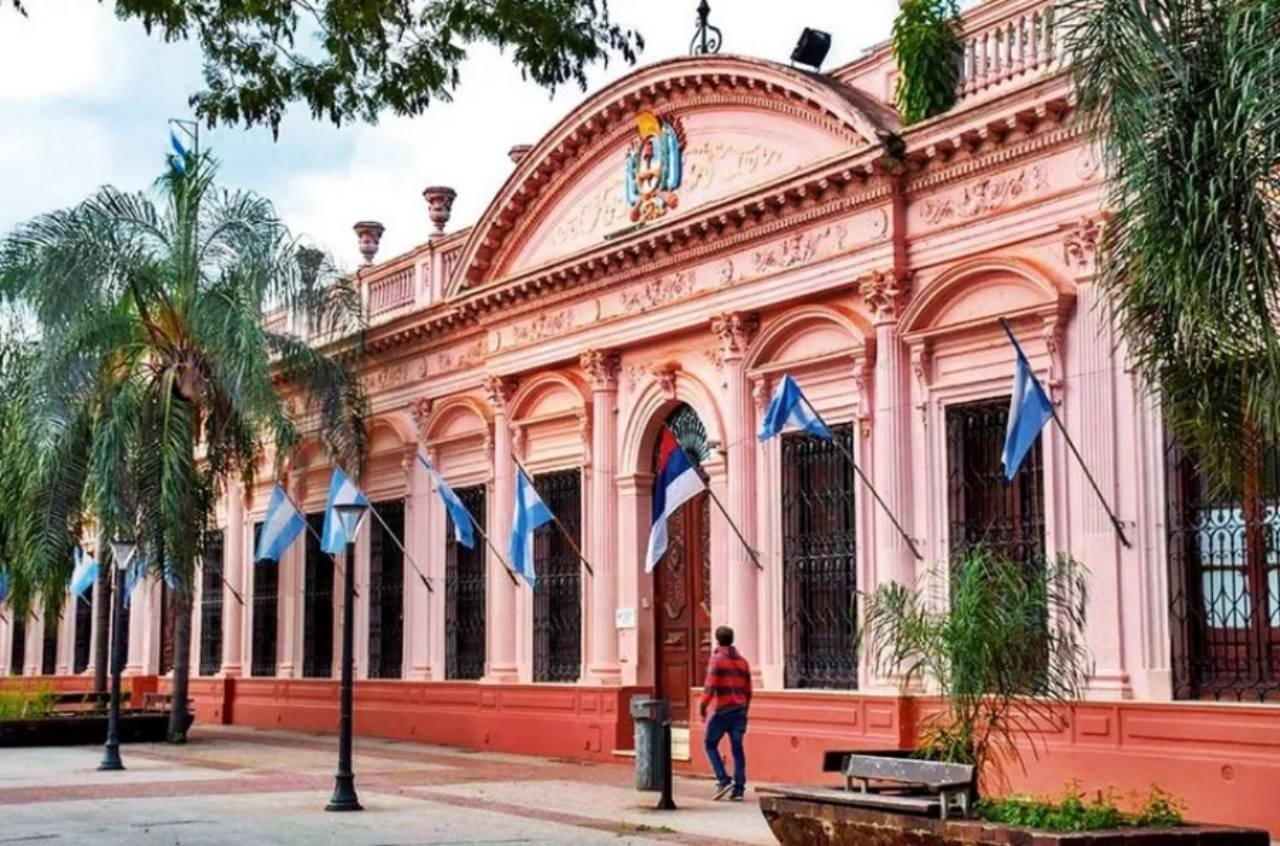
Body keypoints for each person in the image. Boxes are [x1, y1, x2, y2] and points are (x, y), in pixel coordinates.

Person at [699, 625, 751, 801]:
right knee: (738, 749)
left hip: (723, 711)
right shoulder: (743, 662)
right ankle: (739, 789)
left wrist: (702, 706)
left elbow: (710, 686)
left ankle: (723, 778)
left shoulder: (716, 660)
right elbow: (748, 690)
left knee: (710, 744)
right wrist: (745, 709)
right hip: (740, 710)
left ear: (717, 640)